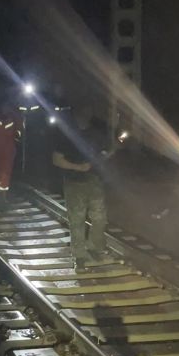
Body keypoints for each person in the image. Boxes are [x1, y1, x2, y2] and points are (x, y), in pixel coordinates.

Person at [51, 105, 119, 269]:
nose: (84, 117)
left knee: (99, 218)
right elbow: (56, 159)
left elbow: (107, 151)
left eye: (86, 114)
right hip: (74, 182)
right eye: (81, 114)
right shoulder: (67, 134)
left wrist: (107, 154)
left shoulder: (96, 134)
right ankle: (79, 255)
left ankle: (94, 247)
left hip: (94, 181)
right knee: (77, 220)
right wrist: (78, 167)